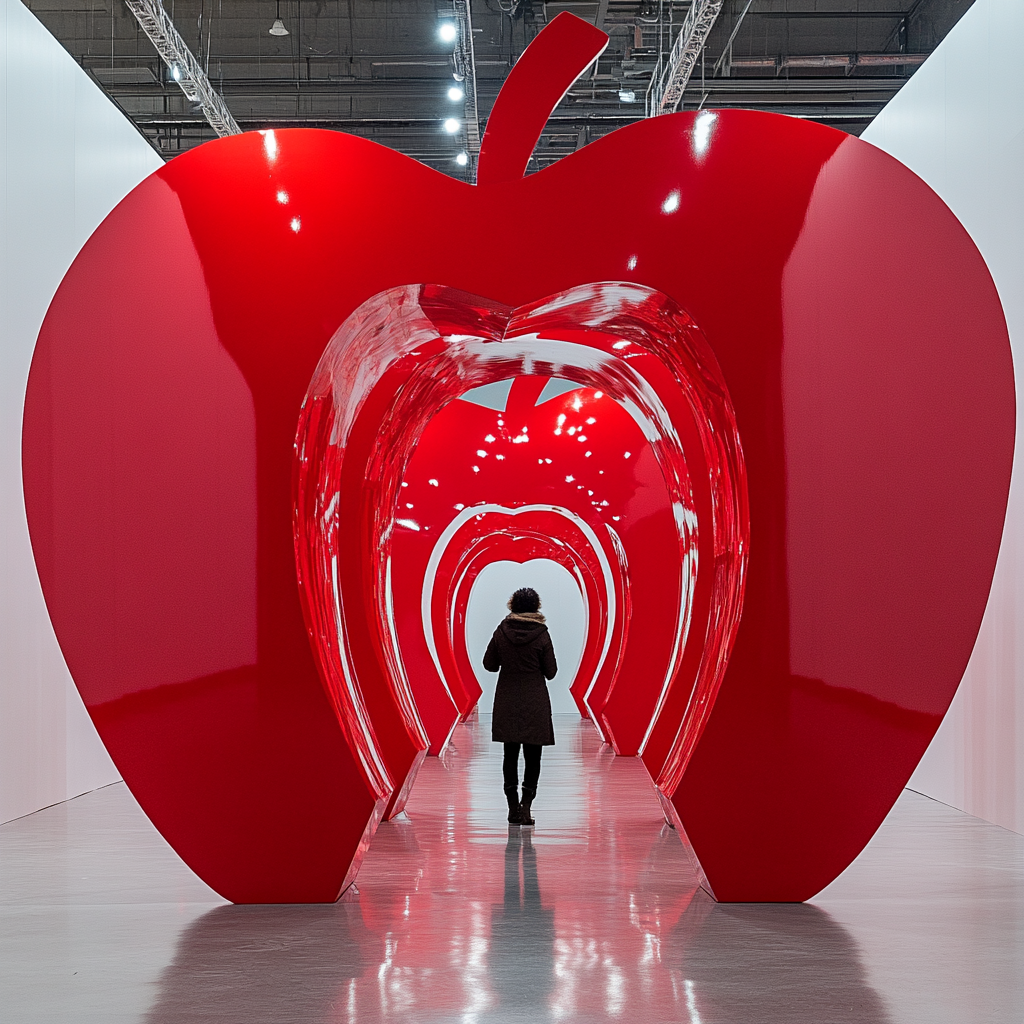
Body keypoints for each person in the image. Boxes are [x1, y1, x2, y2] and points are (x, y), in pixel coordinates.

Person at [482, 587, 557, 826]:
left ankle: (512, 807)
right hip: (535, 700)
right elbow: (551, 672)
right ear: (536, 607)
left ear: (512, 605)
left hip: (507, 699)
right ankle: (526, 807)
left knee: (510, 755)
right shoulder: (542, 634)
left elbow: (489, 665)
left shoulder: (501, 631)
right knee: (533, 756)